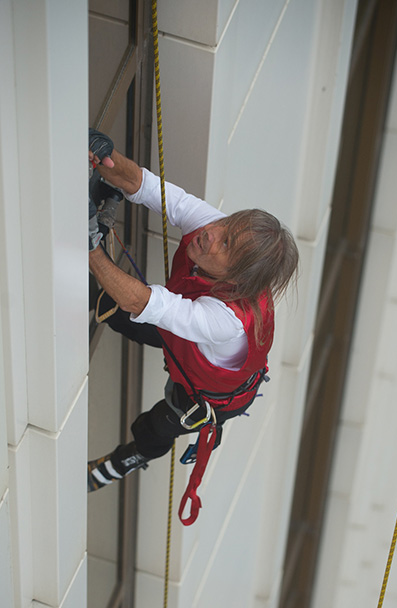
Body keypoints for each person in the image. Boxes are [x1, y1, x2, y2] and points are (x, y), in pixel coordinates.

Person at [87, 128, 299, 494]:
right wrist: (107, 158)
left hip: (208, 393)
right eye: (226, 224)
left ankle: (122, 463)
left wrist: (89, 247)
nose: (211, 233)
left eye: (226, 241)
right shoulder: (216, 230)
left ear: (239, 274)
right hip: (189, 337)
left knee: (157, 425)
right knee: (119, 312)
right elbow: (148, 186)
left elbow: (143, 301)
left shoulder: (227, 321)